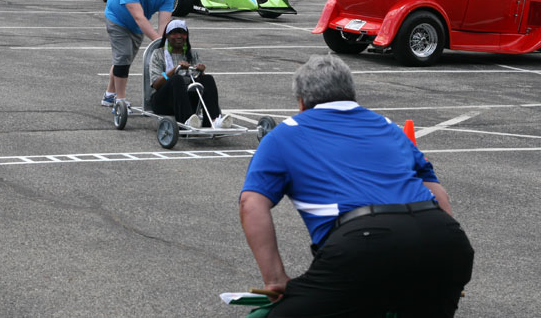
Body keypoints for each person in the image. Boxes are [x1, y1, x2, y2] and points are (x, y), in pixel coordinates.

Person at [239, 54, 474, 317]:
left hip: (364, 245)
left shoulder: (286, 133)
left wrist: (275, 278)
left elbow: (252, 203)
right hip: (446, 240)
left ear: (302, 102)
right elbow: (437, 193)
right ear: (351, 94)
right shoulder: (387, 126)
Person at [101, 0, 174, 107]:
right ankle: (120, 100)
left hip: (138, 27)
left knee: (123, 60)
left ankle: (109, 95)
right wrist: (157, 41)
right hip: (117, 19)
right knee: (124, 56)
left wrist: (162, 43)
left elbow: (164, 23)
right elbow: (138, 17)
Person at [149, 19, 230, 129]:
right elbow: (156, 83)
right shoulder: (158, 54)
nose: (179, 36)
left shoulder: (192, 54)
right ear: (167, 36)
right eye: (175, 33)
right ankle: (186, 120)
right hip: (163, 101)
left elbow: (198, 82)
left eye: (182, 33)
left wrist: (201, 72)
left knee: (208, 79)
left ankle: (213, 120)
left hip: (187, 100)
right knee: (176, 79)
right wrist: (174, 70)